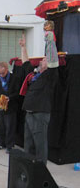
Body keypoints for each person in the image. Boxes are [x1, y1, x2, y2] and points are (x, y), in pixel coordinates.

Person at [19, 33, 58, 164]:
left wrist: (50, 40)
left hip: (40, 114)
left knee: (40, 143)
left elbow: (53, 60)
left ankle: (41, 168)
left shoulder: (50, 76)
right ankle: (28, 166)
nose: (42, 60)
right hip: (29, 113)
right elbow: (25, 63)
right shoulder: (34, 75)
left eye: (45, 59)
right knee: (28, 142)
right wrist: (23, 47)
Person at [0, 62, 19, 154]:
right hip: (0, 107)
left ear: (7, 70)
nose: (1, 75)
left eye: (3, 73)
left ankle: (9, 145)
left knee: (10, 127)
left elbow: (18, 93)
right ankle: (1, 143)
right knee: (0, 126)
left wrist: (9, 98)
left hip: (11, 107)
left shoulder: (14, 79)